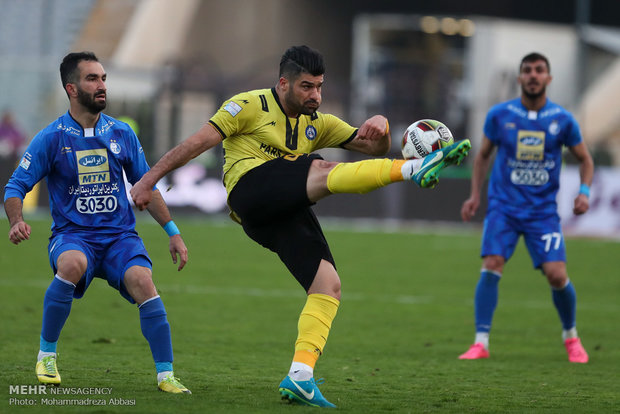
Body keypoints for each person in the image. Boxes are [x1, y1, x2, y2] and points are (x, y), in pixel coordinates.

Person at [130, 45, 471, 407]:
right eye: (307, 87)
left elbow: (373, 148)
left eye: (320, 86)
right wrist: (148, 180)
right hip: (250, 193)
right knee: (321, 168)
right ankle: (414, 170)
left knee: (328, 285)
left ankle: (300, 375)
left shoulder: (318, 122)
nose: (316, 95)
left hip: (279, 213)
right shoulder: (248, 105)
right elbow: (196, 143)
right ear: (283, 84)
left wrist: (383, 129)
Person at [4, 52, 191, 393]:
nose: (102, 85)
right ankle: (46, 356)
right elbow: (15, 186)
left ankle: (166, 376)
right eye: (93, 79)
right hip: (73, 235)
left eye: (103, 78)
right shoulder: (52, 137)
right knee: (72, 263)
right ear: (71, 88)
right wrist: (16, 220)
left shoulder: (121, 133)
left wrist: (173, 233)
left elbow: (145, 185)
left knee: (143, 282)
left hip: (120, 237)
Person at [458, 52, 594, 363]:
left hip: (542, 213)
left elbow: (586, 159)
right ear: (520, 78)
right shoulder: (499, 115)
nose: (533, 75)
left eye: (539, 70)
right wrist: (475, 195)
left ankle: (571, 337)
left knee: (557, 275)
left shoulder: (563, 119)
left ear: (548, 78)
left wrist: (584, 192)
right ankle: (480, 342)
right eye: (528, 71)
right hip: (503, 208)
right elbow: (482, 157)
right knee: (492, 263)